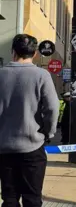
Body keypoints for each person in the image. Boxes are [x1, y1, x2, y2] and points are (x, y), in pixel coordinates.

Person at [0, 34, 59, 207]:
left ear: (13, 51)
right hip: (32, 146)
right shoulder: (42, 75)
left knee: (9, 198)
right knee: (32, 198)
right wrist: (48, 132)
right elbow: (52, 108)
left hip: (4, 147)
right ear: (34, 54)